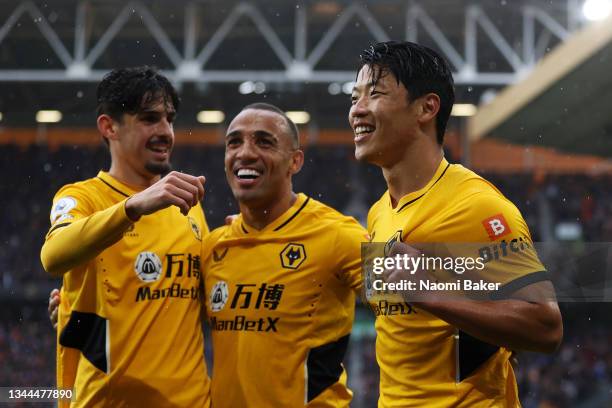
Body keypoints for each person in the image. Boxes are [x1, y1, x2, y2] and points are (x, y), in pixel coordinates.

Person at [349, 41, 563, 407]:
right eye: (354, 98)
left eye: (375, 94)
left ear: (426, 108)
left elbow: (545, 327)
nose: (357, 110)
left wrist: (431, 294)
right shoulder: (379, 213)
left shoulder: (477, 206)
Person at [40, 66, 211, 407]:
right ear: (109, 127)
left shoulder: (188, 206)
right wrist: (132, 207)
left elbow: (206, 300)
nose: (165, 131)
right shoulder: (82, 197)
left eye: (169, 119)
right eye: (149, 119)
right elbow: (53, 255)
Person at [202, 103, 366, 407]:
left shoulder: (337, 235)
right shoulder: (214, 247)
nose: (245, 153)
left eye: (264, 141)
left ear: (295, 161)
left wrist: (480, 262)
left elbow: (429, 289)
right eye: (234, 142)